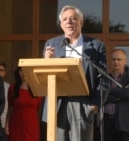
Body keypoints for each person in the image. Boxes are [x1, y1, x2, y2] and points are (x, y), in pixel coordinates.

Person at [43, 5, 109, 141]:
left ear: (81, 22)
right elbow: (43, 78)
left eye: (73, 18)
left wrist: (94, 105)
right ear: (61, 25)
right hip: (57, 103)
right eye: (65, 19)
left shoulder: (96, 45)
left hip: (83, 103)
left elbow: (103, 80)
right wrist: (47, 62)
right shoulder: (52, 44)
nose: (69, 22)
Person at [103, 49, 129, 141]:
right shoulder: (104, 78)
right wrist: (119, 95)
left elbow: (128, 94)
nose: (116, 62)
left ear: (125, 61)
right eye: (113, 59)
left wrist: (109, 90)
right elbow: (102, 97)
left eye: (119, 59)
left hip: (124, 124)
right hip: (106, 122)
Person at [5, 67, 43, 141]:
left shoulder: (37, 89)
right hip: (16, 124)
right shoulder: (13, 88)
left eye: (26, 70)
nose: (23, 73)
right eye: (21, 70)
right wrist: (7, 124)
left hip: (31, 125)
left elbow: (38, 109)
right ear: (18, 72)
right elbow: (10, 107)